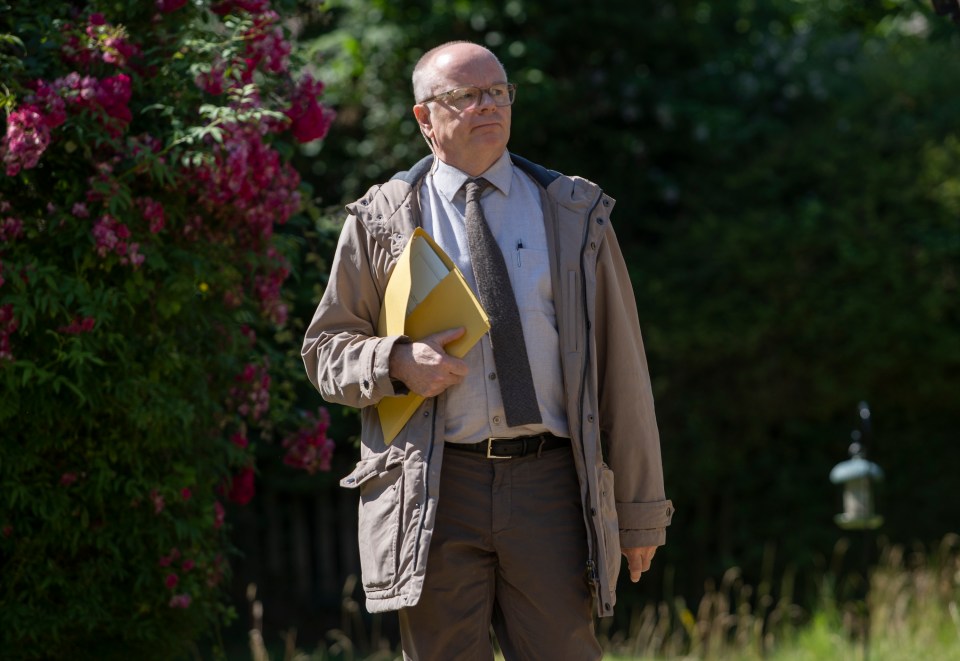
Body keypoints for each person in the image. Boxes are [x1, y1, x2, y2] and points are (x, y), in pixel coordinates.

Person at [302, 40, 673, 661]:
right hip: (435, 489)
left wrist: (639, 513)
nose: (487, 106)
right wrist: (395, 362)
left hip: (551, 484)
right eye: (465, 96)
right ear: (425, 118)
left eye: (498, 92)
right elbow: (324, 351)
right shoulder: (381, 218)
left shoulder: (573, 211)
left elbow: (623, 372)